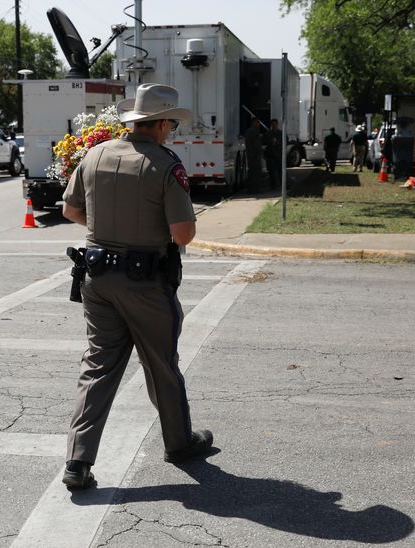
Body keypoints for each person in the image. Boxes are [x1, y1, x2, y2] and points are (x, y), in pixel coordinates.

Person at [61, 83, 213, 490]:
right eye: (171, 125)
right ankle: (179, 444)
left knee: (97, 367)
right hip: (144, 283)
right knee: (161, 364)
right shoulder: (166, 165)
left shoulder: (95, 154)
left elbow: (71, 209)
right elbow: (182, 235)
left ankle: (78, 461)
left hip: (97, 277)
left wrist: (107, 234)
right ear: (162, 123)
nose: (171, 132)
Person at [244, 117, 264, 191]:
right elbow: (255, 144)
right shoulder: (252, 131)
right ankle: (254, 188)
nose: (258, 124)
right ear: (254, 123)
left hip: (252, 155)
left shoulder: (253, 131)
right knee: (255, 172)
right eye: (257, 122)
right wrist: (258, 153)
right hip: (254, 155)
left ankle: (254, 187)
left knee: (254, 171)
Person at [262, 118, 282, 188]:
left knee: (280, 171)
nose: (274, 126)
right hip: (271, 156)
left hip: (279, 155)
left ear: (277, 125)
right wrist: (270, 143)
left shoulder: (281, 133)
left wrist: (278, 143)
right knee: (271, 172)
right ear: (271, 125)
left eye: (275, 124)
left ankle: (282, 184)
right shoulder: (267, 134)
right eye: (272, 125)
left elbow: (285, 142)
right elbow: (263, 143)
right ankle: (273, 184)